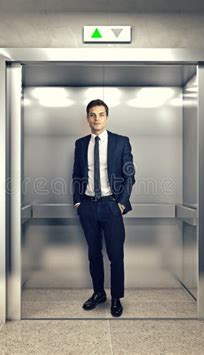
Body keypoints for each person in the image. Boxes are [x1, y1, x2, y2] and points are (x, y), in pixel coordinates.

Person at [71, 99, 136, 317]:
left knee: (115, 255)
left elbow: (129, 175)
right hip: (88, 206)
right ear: (87, 118)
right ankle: (99, 293)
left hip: (111, 205)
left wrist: (121, 204)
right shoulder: (80, 144)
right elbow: (77, 175)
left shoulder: (121, 142)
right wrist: (78, 201)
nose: (96, 118)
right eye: (92, 114)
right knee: (93, 254)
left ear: (106, 117)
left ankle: (116, 297)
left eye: (100, 114)